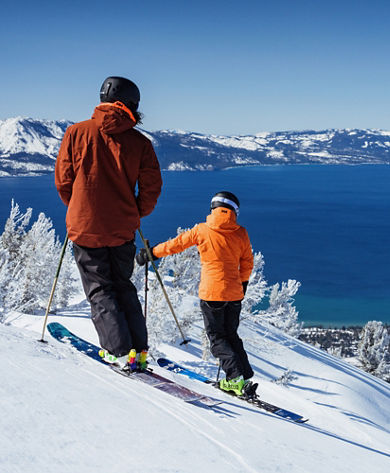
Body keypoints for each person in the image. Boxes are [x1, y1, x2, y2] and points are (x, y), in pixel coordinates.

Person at [55, 76, 162, 370]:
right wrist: (134, 212)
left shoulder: (76, 133)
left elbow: (64, 181)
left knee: (100, 289)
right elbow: (151, 188)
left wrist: (80, 207)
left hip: (85, 227)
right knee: (123, 286)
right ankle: (138, 350)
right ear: (133, 105)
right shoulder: (140, 143)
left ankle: (117, 351)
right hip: (122, 229)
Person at [136, 191, 255, 396]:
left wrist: (151, 253)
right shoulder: (241, 232)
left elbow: (176, 245)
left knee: (217, 337)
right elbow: (247, 263)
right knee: (231, 335)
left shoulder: (202, 230)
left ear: (213, 209)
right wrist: (242, 284)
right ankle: (243, 376)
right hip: (234, 294)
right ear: (234, 211)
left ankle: (235, 379)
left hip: (212, 294)